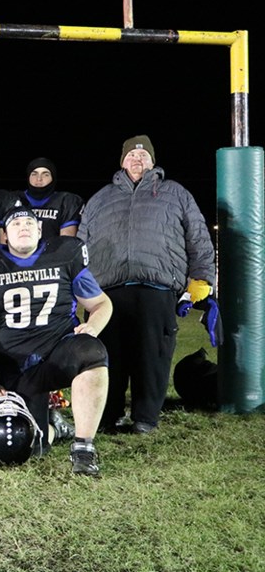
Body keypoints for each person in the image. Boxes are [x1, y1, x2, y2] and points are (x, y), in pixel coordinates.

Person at [77, 135, 215, 434]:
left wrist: (202, 278)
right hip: (106, 292)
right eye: (131, 156)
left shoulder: (176, 193)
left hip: (157, 287)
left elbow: (199, 238)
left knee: (152, 355)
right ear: (122, 161)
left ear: (152, 161)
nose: (137, 160)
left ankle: (145, 418)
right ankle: (106, 414)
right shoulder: (100, 198)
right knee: (106, 354)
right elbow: (80, 245)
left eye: (143, 156)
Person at [0, 206, 112, 475]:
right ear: (5, 235)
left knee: (91, 352)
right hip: (11, 365)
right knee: (27, 446)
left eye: (29, 223)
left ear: (40, 230)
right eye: (16, 224)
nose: (23, 227)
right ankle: (54, 425)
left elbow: (101, 303)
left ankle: (84, 447)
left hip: (54, 356)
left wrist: (91, 327)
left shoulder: (64, 254)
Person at [18, 157, 84, 238]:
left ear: (53, 177)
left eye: (45, 174)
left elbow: (67, 242)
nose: (39, 179)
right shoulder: (14, 199)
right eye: (34, 174)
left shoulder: (66, 201)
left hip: (55, 250)